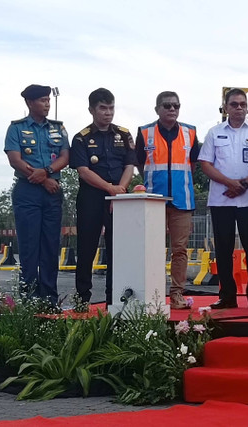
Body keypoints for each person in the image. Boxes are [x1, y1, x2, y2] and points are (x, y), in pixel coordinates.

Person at [198, 88, 248, 309]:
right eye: (234, 104)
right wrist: (230, 183)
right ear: (226, 107)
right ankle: (227, 295)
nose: (239, 108)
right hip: (222, 200)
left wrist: (244, 184)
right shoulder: (214, 132)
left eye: (243, 104)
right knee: (224, 250)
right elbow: (205, 164)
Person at [70, 88, 137, 306]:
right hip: (91, 197)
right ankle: (82, 299)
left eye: (111, 108)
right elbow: (83, 170)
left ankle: (113, 299)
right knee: (87, 248)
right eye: (103, 108)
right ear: (92, 109)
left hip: (118, 199)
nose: (108, 113)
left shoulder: (124, 135)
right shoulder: (81, 138)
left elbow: (129, 165)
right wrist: (110, 188)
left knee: (117, 250)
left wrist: (120, 190)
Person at [4, 84, 70, 305]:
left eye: (48, 100)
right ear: (29, 103)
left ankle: (50, 297)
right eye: (42, 100)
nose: (47, 104)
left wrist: (48, 172)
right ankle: (29, 297)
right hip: (27, 191)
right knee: (29, 247)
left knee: (51, 246)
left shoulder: (58, 128)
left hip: (52, 192)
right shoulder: (16, 128)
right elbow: (15, 159)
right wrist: (43, 179)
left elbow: (65, 156)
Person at [136, 91, 200, 310]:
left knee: (180, 250)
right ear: (157, 109)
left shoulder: (190, 132)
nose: (172, 109)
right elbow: (138, 164)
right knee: (152, 249)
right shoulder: (145, 133)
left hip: (182, 200)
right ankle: (152, 295)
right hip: (153, 201)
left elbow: (193, 164)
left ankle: (177, 295)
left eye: (176, 106)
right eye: (167, 106)